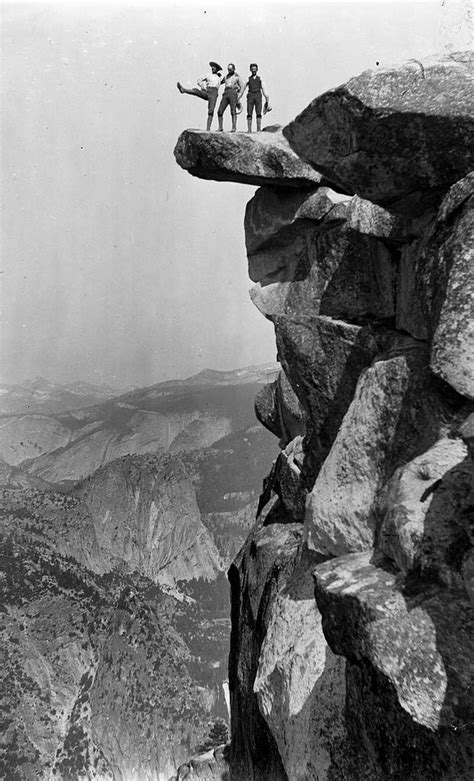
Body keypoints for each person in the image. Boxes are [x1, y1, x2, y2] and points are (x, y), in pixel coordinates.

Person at [177, 61, 223, 131]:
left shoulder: (220, 77)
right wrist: (203, 86)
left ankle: (208, 128)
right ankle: (184, 90)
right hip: (207, 91)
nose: (212, 68)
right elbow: (199, 80)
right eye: (212, 67)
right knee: (196, 91)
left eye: (214, 67)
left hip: (214, 93)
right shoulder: (208, 75)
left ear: (217, 69)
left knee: (211, 110)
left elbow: (227, 81)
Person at [239, 63, 271, 133]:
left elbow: (265, 91)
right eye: (252, 70)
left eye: (255, 69)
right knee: (249, 112)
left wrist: (268, 101)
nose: (254, 71)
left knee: (258, 112)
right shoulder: (248, 79)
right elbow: (242, 90)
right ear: (250, 70)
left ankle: (258, 129)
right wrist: (238, 99)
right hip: (250, 95)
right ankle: (249, 129)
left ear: (257, 70)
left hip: (258, 95)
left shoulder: (260, 79)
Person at [217, 63, 245, 133]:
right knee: (220, 111)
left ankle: (234, 127)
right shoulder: (226, 76)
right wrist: (217, 76)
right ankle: (220, 127)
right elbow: (220, 82)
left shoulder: (237, 76)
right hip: (226, 92)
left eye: (231, 69)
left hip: (233, 93)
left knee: (233, 111)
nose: (229, 70)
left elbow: (242, 86)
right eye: (228, 69)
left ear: (234, 69)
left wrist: (239, 95)